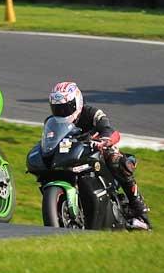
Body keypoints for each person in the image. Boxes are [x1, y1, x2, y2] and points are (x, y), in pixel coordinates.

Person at [49, 81, 151, 230]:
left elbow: (111, 131)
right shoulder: (53, 122)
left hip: (96, 151)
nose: (62, 112)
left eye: (65, 107)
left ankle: (139, 209)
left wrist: (104, 141)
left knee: (116, 160)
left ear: (77, 102)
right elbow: (52, 138)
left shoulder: (91, 113)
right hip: (72, 154)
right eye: (57, 108)